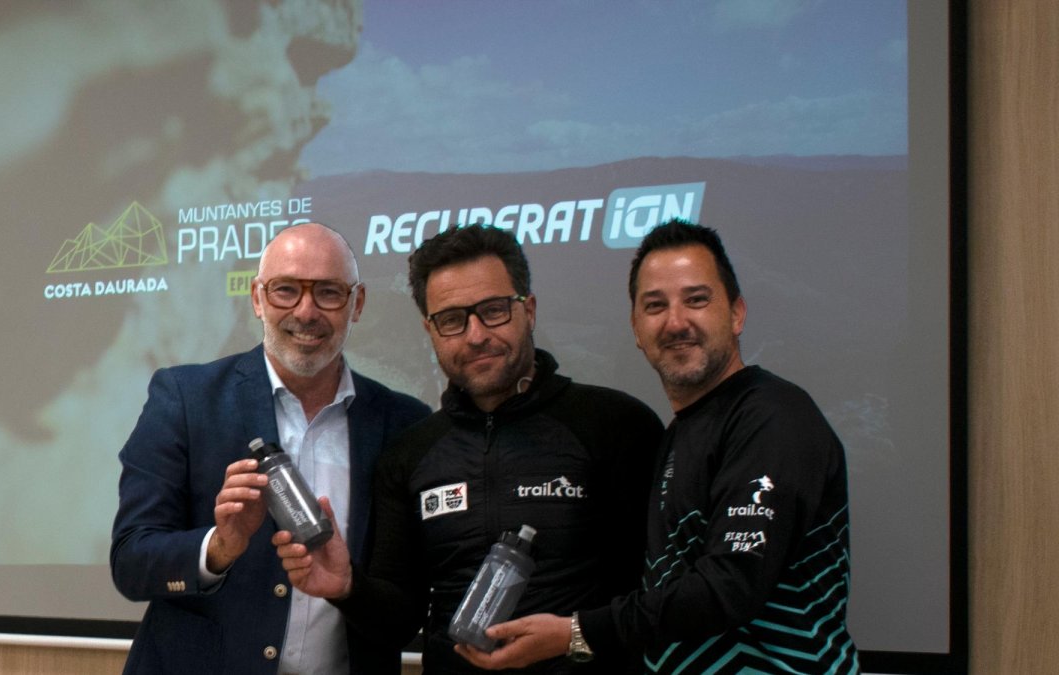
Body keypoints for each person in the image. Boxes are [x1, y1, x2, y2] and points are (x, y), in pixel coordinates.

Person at [456, 219, 860, 674]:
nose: (675, 322)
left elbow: (728, 587)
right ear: (635, 328)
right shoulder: (678, 434)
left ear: (736, 313)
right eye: (655, 305)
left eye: (696, 300)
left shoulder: (773, 416)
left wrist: (576, 631)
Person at [273, 224, 665, 673]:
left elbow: (658, 599)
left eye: (493, 311)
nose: (476, 335)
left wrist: (574, 637)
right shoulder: (411, 452)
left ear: (528, 309)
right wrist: (347, 587)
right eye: (453, 319)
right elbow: (398, 621)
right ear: (431, 329)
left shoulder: (617, 425)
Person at [110, 223, 431, 675]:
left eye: (328, 293)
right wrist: (218, 548)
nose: (306, 311)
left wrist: (349, 588)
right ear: (257, 299)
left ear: (356, 304)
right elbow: (130, 561)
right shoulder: (185, 398)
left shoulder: (404, 423)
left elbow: (407, 605)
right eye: (285, 290)